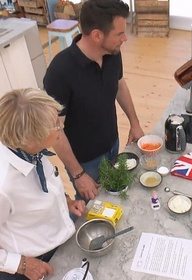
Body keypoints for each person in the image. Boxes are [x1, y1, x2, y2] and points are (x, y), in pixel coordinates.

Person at [43, 0, 145, 202]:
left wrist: (134, 123)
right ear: (97, 35)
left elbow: (119, 84)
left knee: (116, 201)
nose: (125, 38)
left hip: (112, 144)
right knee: (92, 209)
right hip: (85, 161)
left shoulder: (112, 53)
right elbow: (54, 130)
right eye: (119, 34)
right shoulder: (60, 72)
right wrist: (78, 174)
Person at [0, 88, 86, 280]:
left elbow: (40, 190)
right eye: (55, 125)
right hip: (26, 265)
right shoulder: (3, 185)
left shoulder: (28, 149)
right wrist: (22, 265)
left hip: (56, 244)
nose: (61, 128)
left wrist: (65, 202)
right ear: (30, 138)